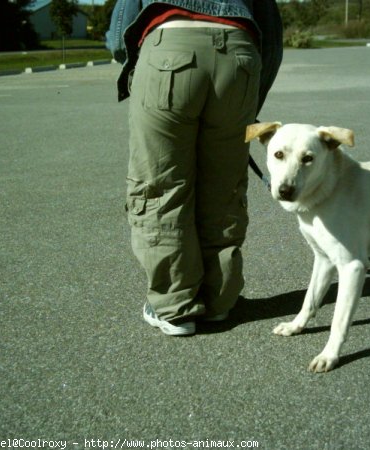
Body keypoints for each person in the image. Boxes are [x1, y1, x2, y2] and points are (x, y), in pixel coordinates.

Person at [106, 1, 283, 336]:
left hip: (169, 47)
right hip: (240, 56)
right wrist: (248, 101)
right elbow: (271, 38)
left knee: (161, 183)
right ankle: (219, 300)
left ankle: (176, 306)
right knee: (225, 185)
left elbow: (121, 30)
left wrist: (138, 66)